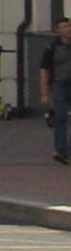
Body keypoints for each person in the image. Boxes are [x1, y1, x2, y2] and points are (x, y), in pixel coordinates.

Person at [43, 18, 71, 166]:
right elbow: (44, 69)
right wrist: (45, 93)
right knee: (60, 116)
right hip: (59, 84)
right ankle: (61, 151)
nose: (68, 29)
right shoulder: (52, 47)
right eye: (65, 27)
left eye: (69, 25)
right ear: (58, 30)